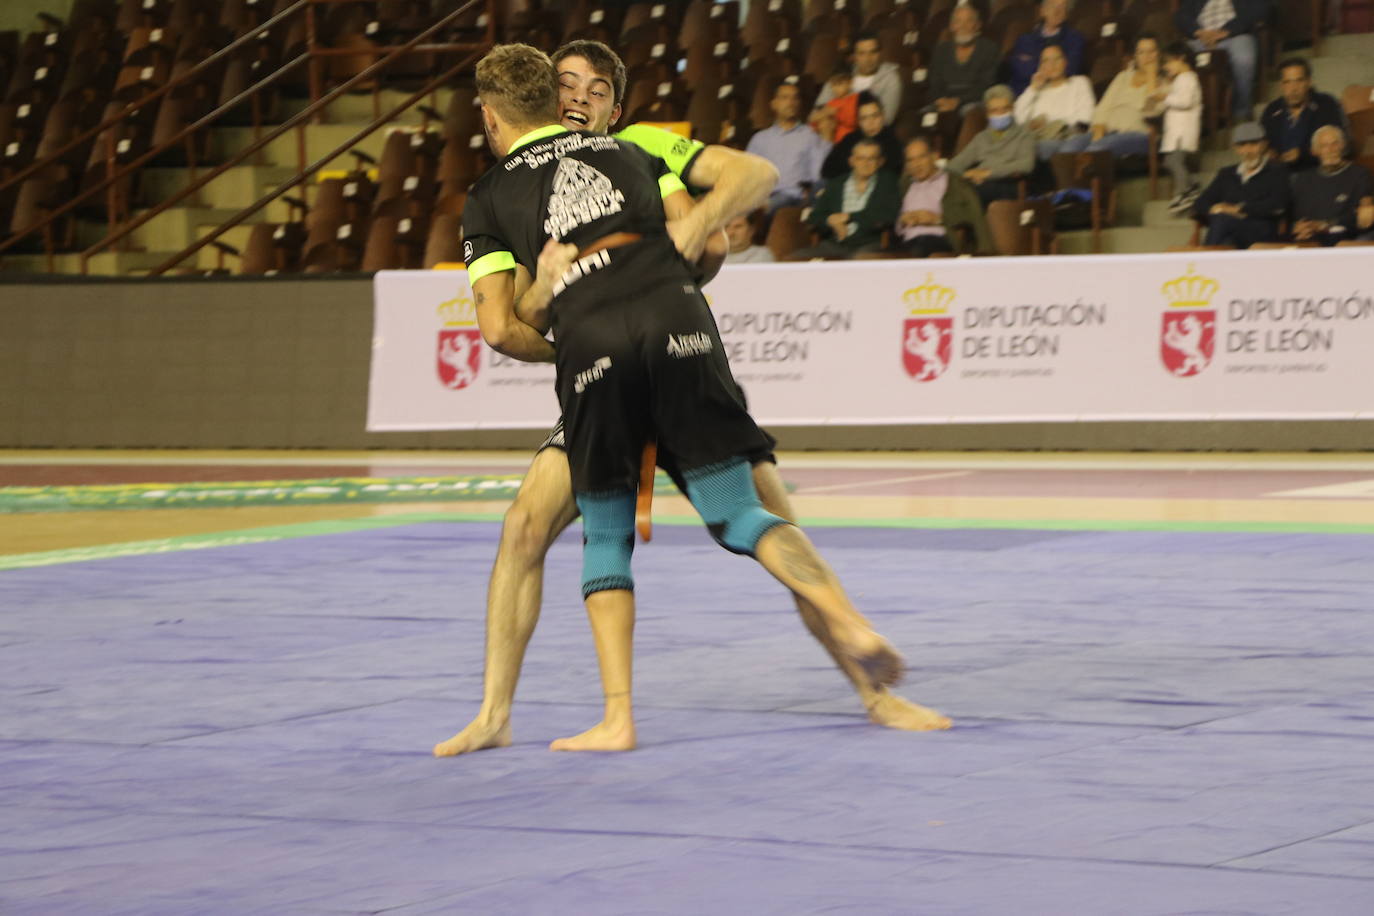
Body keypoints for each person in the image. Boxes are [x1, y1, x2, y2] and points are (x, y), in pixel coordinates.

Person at [435, 41, 946, 759]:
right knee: (525, 529)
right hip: (626, 362)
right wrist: (571, 326)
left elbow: (712, 241)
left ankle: (876, 693)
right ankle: (494, 713)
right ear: (549, 101)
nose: (577, 96)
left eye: (594, 88)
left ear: (618, 106)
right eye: (566, 85)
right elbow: (503, 323)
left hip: (656, 355)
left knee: (762, 513)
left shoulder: (644, 147)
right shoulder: (519, 185)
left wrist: (697, 224)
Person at [793, 138, 902, 259]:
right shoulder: (836, 184)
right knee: (796, 259)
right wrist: (830, 220)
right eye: (860, 158)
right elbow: (814, 217)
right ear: (852, 161)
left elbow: (888, 215)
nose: (865, 164)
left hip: (868, 244)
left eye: (871, 159)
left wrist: (849, 217)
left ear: (880, 161)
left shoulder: (888, 182)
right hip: (835, 244)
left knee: (858, 263)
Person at [1060, 33, 1163, 158]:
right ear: (1136, 56)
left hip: (1140, 134)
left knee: (1096, 150)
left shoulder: (1165, 82)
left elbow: (1152, 113)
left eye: (1151, 51)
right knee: (1069, 148)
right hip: (1108, 130)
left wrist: (1151, 78)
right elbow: (1104, 106)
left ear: (1158, 53)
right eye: (1141, 52)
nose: (1147, 57)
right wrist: (1098, 125)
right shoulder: (1123, 77)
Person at [1191, 120, 1290, 248]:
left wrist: (1239, 209)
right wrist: (1214, 208)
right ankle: (1211, 258)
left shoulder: (1277, 172)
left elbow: (1278, 204)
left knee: (1222, 220)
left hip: (1261, 232)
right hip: (1228, 231)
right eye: (1242, 145)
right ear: (1236, 149)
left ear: (1264, 145)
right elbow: (1200, 202)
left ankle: (1205, 260)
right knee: (1224, 234)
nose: (1248, 151)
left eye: (1253, 144)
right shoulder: (1226, 174)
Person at [893, 135, 994, 257]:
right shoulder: (904, 184)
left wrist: (937, 219)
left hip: (939, 239)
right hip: (906, 242)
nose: (916, 165)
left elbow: (972, 216)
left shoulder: (954, 182)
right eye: (910, 160)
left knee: (917, 250)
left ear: (934, 156)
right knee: (877, 258)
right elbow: (892, 219)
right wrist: (902, 220)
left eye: (921, 157)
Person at [746, 80, 831, 211]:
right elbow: (747, 176)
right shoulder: (760, 139)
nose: (791, 103)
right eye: (785, 98)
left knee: (772, 204)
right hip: (762, 197)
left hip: (794, 197)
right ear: (774, 104)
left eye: (795, 98)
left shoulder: (809, 136)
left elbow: (817, 174)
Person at [1175, 0, 1264, 122]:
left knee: (1244, 59)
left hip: (1234, 36)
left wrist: (1226, 31)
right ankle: (1196, 116)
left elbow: (1260, 8)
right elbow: (1181, 16)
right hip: (1201, 40)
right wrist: (1198, 32)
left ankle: (1241, 111)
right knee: (1180, 61)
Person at [946, 84, 1036, 206]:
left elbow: (1026, 165)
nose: (1000, 114)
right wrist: (967, 175)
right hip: (979, 183)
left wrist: (987, 173)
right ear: (988, 113)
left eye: (1005, 109)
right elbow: (954, 165)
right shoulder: (981, 138)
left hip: (1007, 184)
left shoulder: (1024, 135)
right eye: (994, 110)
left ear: (1013, 109)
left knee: (972, 192)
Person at [1290, 125, 1374, 245]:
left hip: (1344, 239)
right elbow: (1295, 216)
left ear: (1343, 146)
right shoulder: (1302, 179)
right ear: (1314, 151)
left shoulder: (1359, 174)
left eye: (1335, 144)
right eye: (1324, 146)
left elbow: (1361, 217)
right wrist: (1299, 227)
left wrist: (1325, 225)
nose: (1330, 149)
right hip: (1309, 239)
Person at [1260, 57, 1347, 173]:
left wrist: (1301, 153)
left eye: (1299, 81)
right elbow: (1261, 142)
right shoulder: (1272, 110)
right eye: (1287, 82)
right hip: (1279, 176)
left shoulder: (1326, 104)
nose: (1293, 89)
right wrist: (1268, 152)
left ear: (1309, 82)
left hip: (1317, 173)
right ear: (1281, 85)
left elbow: (1340, 144)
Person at [1013, 42, 1095, 161]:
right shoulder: (1037, 91)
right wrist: (1032, 89)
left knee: (1032, 148)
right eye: (1046, 61)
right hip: (1036, 139)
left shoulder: (1079, 82)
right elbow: (1017, 119)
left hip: (1066, 138)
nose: (1052, 65)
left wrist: (1047, 123)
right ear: (1041, 66)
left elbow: (1085, 118)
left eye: (1057, 59)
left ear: (1065, 62)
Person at [813, 30, 902, 126]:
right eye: (862, 53)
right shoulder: (843, 73)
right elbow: (817, 110)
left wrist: (840, 115)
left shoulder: (891, 78)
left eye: (873, 52)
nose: (868, 59)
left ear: (880, 53)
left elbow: (886, 120)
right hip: (834, 130)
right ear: (854, 56)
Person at [925, 4, 1001, 116]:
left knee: (966, 113)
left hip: (974, 102)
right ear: (951, 26)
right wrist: (941, 100)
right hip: (944, 102)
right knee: (924, 117)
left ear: (977, 25)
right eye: (958, 21)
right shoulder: (941, 50)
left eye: (969, 21)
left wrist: (958, 101)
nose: (963, 26)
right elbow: (935, 83)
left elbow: (986, 86)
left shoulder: (990, 49)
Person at [1155, 41, 1203, 212]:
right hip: (1176, 132)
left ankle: (1184, 191)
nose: (1166, 66)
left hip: (1183, 132)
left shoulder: (1188, 78)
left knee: (1174, 160)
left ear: (1181, 58)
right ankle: (1191, 186)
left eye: (1168, 62)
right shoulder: (1181, 79)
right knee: (1170, 161)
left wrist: (1165, 97)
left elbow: (1185, 101)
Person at [1007, 0, 1088, 95]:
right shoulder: (1025, 40)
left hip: (1057, 93)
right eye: (1052, 6)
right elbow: (1020, 70)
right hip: (1023, 92)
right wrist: (1054, 66)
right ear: (1042, 11)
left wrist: (1035, 64)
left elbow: (1070, 69)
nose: (1057, 11)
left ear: (1067, 13)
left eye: (1062, 7)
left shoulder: (1074, 39)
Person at [821, 93, 903, 180]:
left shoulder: (893, 143)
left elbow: (891, 176)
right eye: (864, 118)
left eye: (875, 116)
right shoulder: (849, 139)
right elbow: (826, 170)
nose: (870, 122)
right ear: (859, 121)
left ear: (882, 116)